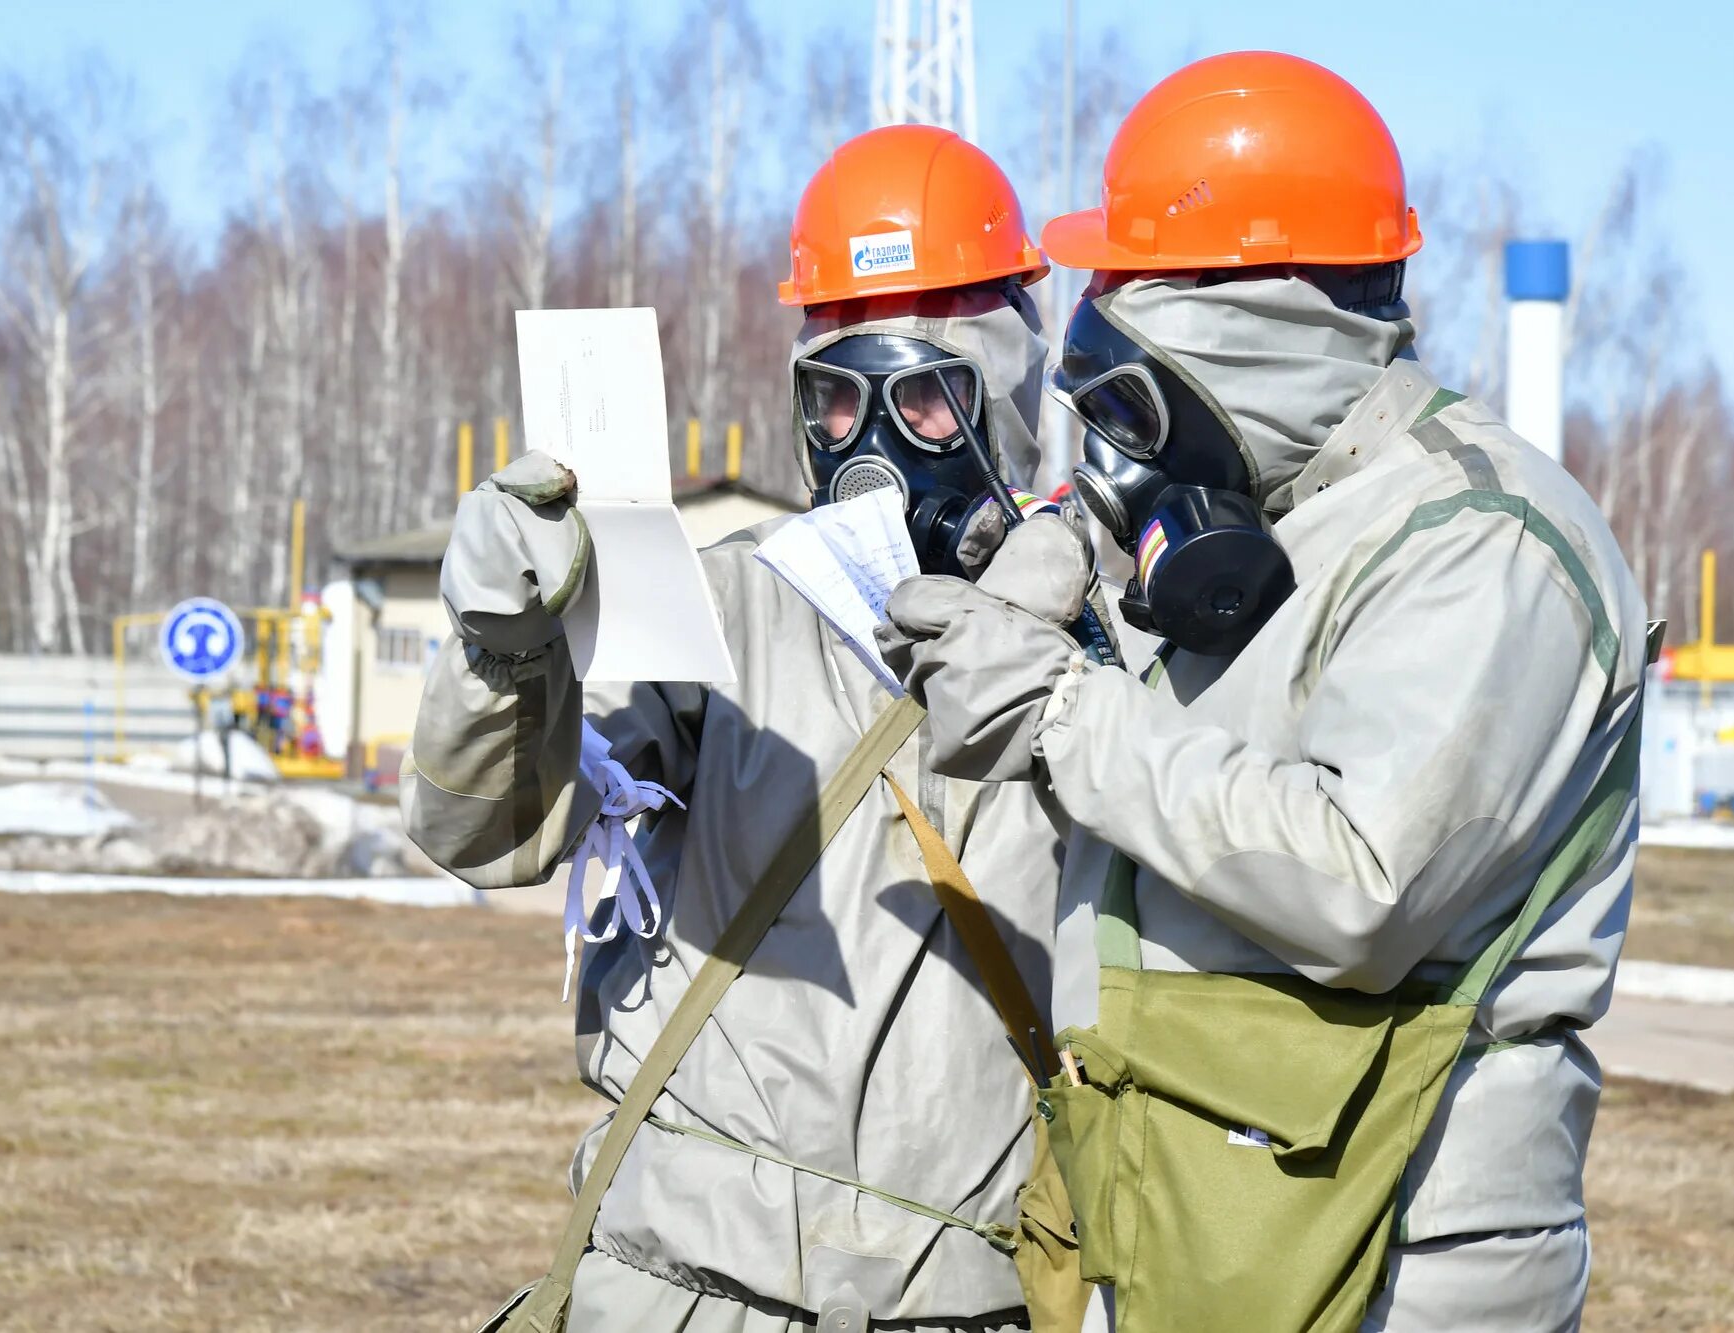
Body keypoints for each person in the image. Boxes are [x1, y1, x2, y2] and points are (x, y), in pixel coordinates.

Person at [881, 52, 1652, 1333]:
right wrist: (1071, 588)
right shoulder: (1271, 521)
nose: (1107, 334)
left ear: (1247, 324)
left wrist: (1066, 708)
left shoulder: (1478, 541)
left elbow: (1358, 883)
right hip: (1214, 1211)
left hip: (1397, 1246)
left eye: (1133, 292)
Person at [403, 124, 1099, 1333]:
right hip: (685, 1291)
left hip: (972, 1298)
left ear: (1006, 394)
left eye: (929, 398)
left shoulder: (1100, 647)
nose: (870, 442)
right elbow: (487, 836)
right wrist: (504, 657)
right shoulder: (715, 611)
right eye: (833, 397)